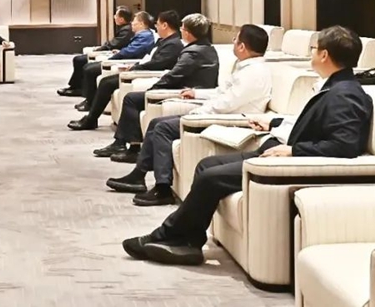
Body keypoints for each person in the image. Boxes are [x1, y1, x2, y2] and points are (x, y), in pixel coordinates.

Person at [123, 25, 372, 266]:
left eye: (314, 49)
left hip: (287, 161)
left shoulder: (346, 94)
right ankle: (189, 240)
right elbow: (313, 122)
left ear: (324, 55)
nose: (311, 53)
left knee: (211, 177)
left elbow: (344, 145)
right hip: (276, 147)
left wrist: (294, 151)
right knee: (206, 165)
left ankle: (167, 235)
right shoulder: (334, 86)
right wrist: (273, 122)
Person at [106, 24, 272, 206]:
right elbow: (221, 93)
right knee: (156, 123)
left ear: (242, 46)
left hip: (232, 121)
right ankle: (138, 175)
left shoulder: (253, 73)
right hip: (220, 114)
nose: (233, 42)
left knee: (162, 128)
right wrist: (197, 93)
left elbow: (226, 104)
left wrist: (197, 113)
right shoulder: (245, 68)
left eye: (236, 39)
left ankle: (162, 188)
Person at [94, 13, 219, 162]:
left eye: (183, 28)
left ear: (188, 32)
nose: (181, 30)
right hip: (188, 88)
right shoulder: (205, 48)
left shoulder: (193, 52)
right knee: (132, 98)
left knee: (132, 99)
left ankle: (130, 147)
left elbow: (174, 76)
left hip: (187, 91)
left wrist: (153, 89)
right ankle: (123, 144)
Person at [67, 10, 184, 131]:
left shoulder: (173, 44)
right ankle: (91, 118)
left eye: (157, 24)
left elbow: (157, 64)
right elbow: (148, 58)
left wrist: (135, 68)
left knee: (107, 83)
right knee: (105, 81)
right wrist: (135, 65)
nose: (156, 27)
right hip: (141, 68)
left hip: (148, 74)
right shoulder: (164, 41)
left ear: (165, 25)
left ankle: (91, 120)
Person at [62, 11, 156, 101]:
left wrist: (111, 58)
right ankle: (87, 98)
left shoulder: (145, 36)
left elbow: (129, 52)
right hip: (124, 59)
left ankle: (88, 100)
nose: (132, 23)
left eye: (134, 21)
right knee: (88, 67)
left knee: (90, 70)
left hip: (127, 62)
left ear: (141, 24)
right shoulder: (142, 34)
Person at [57, 6, 134, 97]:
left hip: (113, 54)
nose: (114, 17)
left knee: (80, 60)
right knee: (79, 60)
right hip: (112, 52)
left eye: (116, 15)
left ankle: (78, 88)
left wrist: (98, 49)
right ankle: (75, 86)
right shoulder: (124, 28)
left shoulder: (126, 30)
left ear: (121, 19)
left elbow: (113, 45)